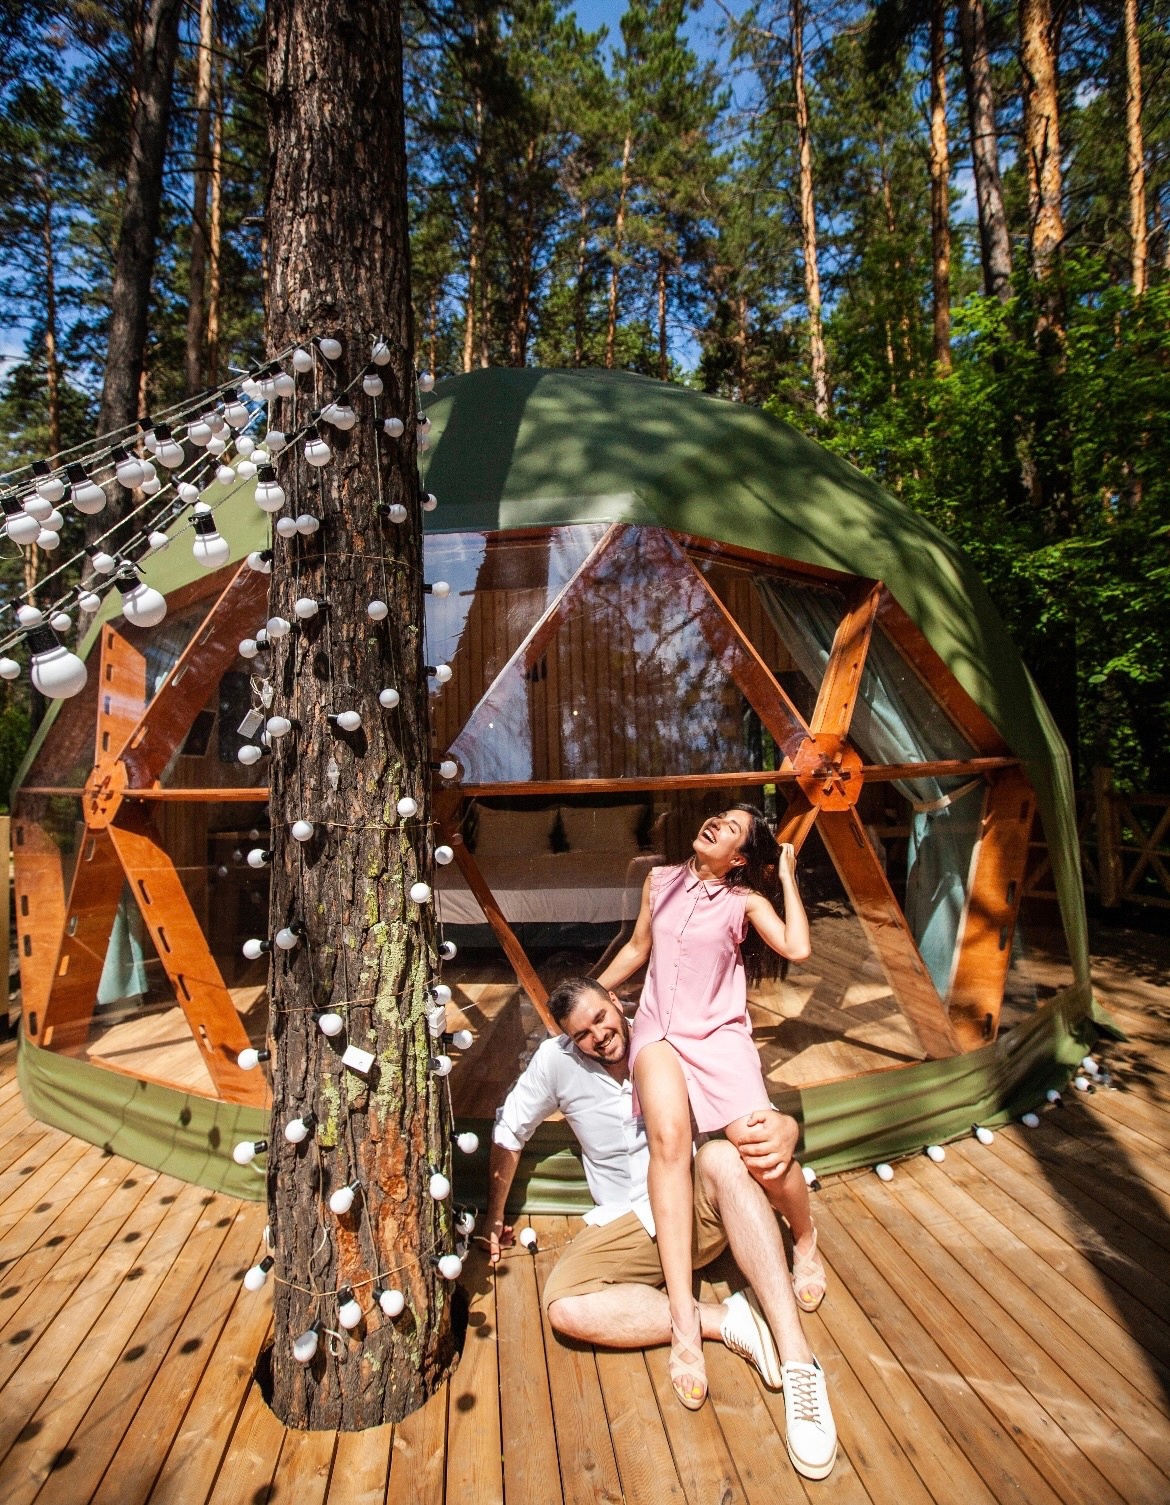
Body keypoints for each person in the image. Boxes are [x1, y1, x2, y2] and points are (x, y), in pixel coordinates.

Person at [481, 976, 837, 1482]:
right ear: (568, 1038)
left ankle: (798, 1360)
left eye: (601, 1018)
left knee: (722, 1158)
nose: (598, 1036)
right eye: (582, 1034)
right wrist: (495, 1214)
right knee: (564, 1306)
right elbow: (510, 1127)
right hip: (628, 1222)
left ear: (614, 1001)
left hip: (695, 1207)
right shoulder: (556, 1063)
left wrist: (783, 1123)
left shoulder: (667, 1035)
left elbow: (738, 1089)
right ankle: (726, 1320)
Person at [595, 805, 824, 1411]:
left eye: (732, 829)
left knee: (762, 1155)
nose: (716, 824)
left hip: (719, 1038)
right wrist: (594, 994)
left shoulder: (744, 902)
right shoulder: (659, 879)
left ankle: (805, 1238)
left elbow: (798, 947)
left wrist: (786, 873)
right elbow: (639, 948)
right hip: (659, 1034)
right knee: (670, 1144)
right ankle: (684, 1321)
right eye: (718, 817)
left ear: (739, 857)